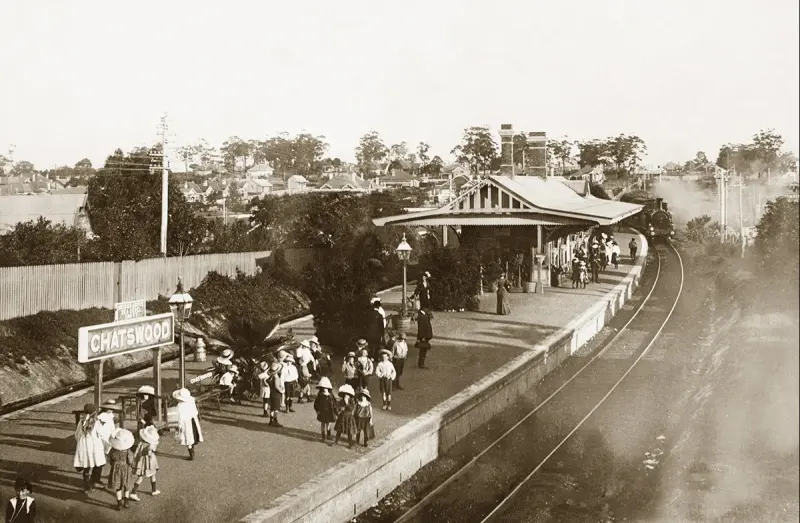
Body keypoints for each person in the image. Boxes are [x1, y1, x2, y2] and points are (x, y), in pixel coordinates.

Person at [73, 403, 106, 494]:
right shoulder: (97, 423)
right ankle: (95, 481)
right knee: (98, 464)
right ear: (94, 413)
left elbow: (76, 435)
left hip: (84, 448)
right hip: (95, 447)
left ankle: (87, 487)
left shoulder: (81, 422)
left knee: (86, 466)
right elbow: (102, 434)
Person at [130, 421, 160, 501]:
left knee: (140, 477)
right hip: (149, 463)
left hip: (141, 463)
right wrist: (150, 453)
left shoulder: (141, 443)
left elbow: (137, 453)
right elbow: (150, 451)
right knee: (153, 475)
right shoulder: (151, 444)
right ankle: (153, 490)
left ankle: (133, 492)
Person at [93, 399, 121, 486]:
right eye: (110, 408)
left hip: (107, 440)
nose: (112, 410)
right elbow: (98, 428)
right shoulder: (103, 416)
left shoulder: (109, 415)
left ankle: (96, 479)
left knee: (102, 461)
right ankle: (95, 480)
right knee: (100, 462)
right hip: (103, 441)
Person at [107, 428, 135, 511]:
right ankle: (126, 502)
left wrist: (114, 464)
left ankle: (119, 504)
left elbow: (110, 459)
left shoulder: (113, 450)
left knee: (118, 487)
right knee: (126, 486)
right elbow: (130, 460)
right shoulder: (127, 451)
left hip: (116, 468)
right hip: (126, 468)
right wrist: (132, 466)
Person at [173, 388, 203, 460]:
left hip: (186, 422)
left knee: (188, 437)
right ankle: (192, 451)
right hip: (193, 420)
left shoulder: (180, 405)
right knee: (193, 436)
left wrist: (179, 426)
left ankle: (191, 454)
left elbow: (180, 417)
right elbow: (195, 412)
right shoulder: (191, 401)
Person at [313, 377, 337, 444]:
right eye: (323, 388)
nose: (324, 389)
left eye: (326, 388)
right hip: (322, 412)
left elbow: (334, 404)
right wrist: (317, 411)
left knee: (329, 424)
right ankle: (323, 436)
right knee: (323, 424)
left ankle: (328, 435)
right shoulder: (320, 395)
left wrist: (336, 411)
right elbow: (316, 404)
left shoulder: (331, 395)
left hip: (329, 412)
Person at [333, 384, 357, 449]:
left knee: (350, 431)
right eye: (345, 394)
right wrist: (340, 409)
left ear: (350, 395)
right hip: (342, 417)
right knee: (339, 430)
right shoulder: (341, 401)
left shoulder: (352, 401)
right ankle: (336, 441)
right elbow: (337, 408)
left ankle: (350, 444)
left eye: (348, 394)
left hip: (349, 417)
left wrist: (347, 404)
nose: (346, 396)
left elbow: (352, 408)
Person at [267, 362, 285, 427]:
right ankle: (275, 420)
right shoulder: (276, 377)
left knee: (272, 407)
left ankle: (271, 420)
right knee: (276, 408)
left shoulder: (270, 376)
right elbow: (277, 386)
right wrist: (281, 390)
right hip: (276, 394)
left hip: (271, 393)